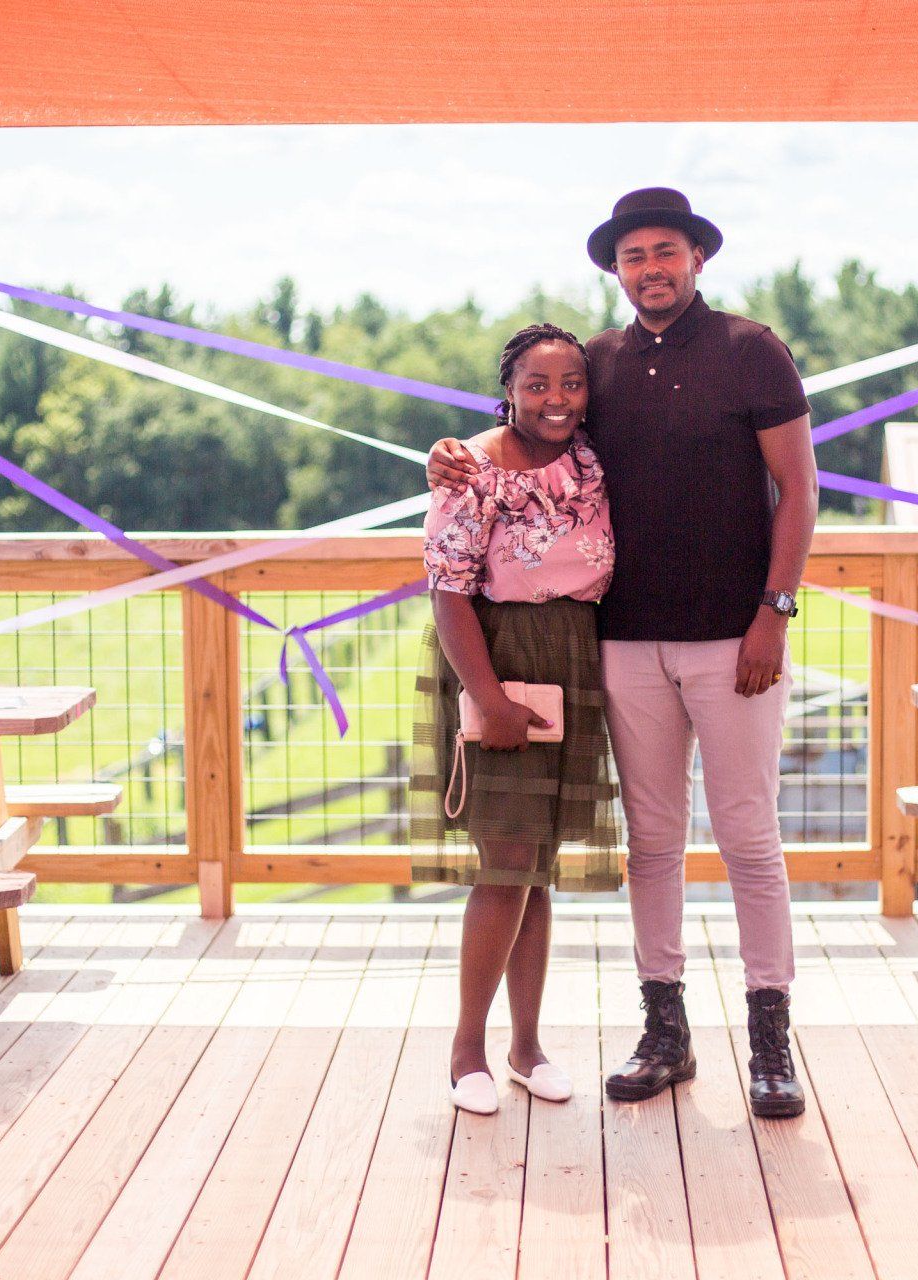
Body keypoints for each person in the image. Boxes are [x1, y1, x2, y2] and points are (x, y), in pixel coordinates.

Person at [429, 188, 818, 1118]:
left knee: (750, 840)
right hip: (625, 643)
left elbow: (799, 488)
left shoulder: (753, 352)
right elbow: (533, 436)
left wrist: (775, 610)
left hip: (737, 639)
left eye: (668, 251)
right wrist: (448, 456)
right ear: (616, 267)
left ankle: (771, 1042)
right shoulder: (595, 364)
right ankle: (666, 1034)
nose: (652, 267)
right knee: (652, 844)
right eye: (635, 254)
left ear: (697, 259)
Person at [410, 322, 623, 1116]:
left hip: (572, 652)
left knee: (536, 868)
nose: (557, 399)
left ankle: (526, 1048)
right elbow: (448, 592)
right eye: (538, 385)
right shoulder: (472, 471)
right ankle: (467, 1049)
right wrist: (491, 697)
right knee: (504, 859)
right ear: (509, 390)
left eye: (571, 383)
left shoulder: (591, 460)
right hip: (497, 655)